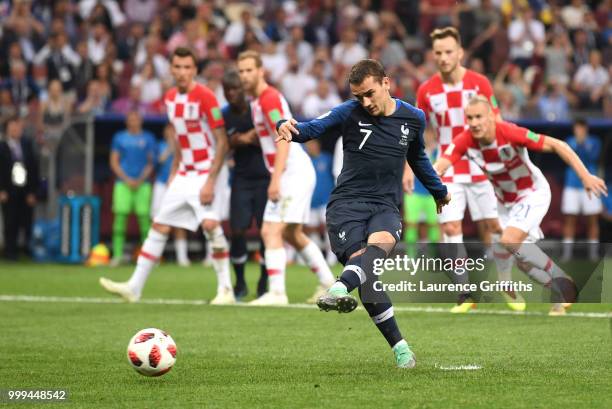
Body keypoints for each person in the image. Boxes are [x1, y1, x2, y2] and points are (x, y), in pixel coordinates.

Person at [276, 59, 450, 368]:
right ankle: (400, 348)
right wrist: (286, 127)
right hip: (346, 206)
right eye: (359, 96)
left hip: (385, 205)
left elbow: (418, 157)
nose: (365, 102)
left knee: (375, 253)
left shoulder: (413, 118)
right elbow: (311, 128)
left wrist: (438, 190)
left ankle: (339, 287)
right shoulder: (349, 111)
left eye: (369, 93)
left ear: (387, 82)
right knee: (368, 276)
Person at [433, 95, 606, 316]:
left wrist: (585, 176)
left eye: (479, 117)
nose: (474, 122)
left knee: (509, 241)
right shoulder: (465, 139)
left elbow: (557, 144)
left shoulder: (509, 132)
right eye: (470, 118)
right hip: (505, 202)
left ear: (491, 118)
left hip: (532, 193)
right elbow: (440, 166)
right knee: (523, 261)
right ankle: (561, 291)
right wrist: (434, 183)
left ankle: (560, 279)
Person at [100, 47, 234, 305]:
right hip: (184, 172)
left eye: (187, 67)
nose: (182, 72)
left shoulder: (206, 97)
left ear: (194, 70)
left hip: (207, 170)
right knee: (159, 226)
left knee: (210, 227)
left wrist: (211, 180)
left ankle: (225, 290)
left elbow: (222, 141)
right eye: (178, 67)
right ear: (171, 69)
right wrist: (174, 170)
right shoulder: (170, 97)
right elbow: (179, 137)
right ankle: (134, 287)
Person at [237, 50, 335, 306]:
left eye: (249, 70)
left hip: (292, 171)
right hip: (296, 170)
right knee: (292, 234)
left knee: (271, 230)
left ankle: (277, 293)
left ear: (261, 71)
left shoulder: (269, 99)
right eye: (241, 71)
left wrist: (275, 178)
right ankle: (328, 283)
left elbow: (283, 138)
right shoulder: (259, 101)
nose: (245, 75)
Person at [416, 26, 503, 313]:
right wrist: (409, 167)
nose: (443, 57)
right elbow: (419, 132)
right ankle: (464, 292)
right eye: (438, 52)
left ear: (460, 52)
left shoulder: (480, 83)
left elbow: (497, 121)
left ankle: (504, 282)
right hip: (448, 167)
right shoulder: (426, 90)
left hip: (481, 165)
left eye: (448, 51)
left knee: (494, 226)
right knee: (451, 227)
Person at [221, 69, 269, 299]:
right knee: (237, 231)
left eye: (235, 89)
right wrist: (246, 137)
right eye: (227, 90)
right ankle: (240, 282)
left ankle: (264, 280)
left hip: (264, 178)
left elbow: (265, 134)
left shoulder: (256, 109)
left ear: (244, 90)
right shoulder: (225, 114)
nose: (231, 94)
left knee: (266, 232)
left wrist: (243, 138)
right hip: (241, 179)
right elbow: (229, 141)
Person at [108, 110, 156, 266]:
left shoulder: (148, 138)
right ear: (127, 121)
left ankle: (148, 257)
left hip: (143, 184)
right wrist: (127, 179)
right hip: (123, 183)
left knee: (144, 220)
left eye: (136, 119)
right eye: (131, 119)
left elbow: (151, 162)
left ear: (140, 121)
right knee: (120, 218)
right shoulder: (119, 138)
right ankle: (117, 255)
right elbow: (114, 161)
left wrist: (141, 178)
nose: (134, 122)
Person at [560, 118, 602, 262]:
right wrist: (578, 143)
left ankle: (593, 254)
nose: (580, 130)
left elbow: (593, 157)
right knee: (569, 219)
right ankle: (567, 254)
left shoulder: (595, 142)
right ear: (574, 129)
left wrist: (582, 143)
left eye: (582, 128)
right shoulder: (568, 142)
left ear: (586, 128)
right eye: (577, 128)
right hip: (572, 185)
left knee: (592, 220)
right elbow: (567, 159)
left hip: (590, 185)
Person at [151, 124, 191, 267]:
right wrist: (169, 149)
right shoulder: (159, 145)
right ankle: (154, 257)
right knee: (157, 220)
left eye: (173, 130)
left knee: (180, 221)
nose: (170, 132)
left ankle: (182, 257)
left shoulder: (185, 146)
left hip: (178, 185)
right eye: (168, 130)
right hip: (161, 184)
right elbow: (157, 162)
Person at [0, 116, 40, 260]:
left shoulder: (27, 145)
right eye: (13, 127)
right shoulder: (2, 147)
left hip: (25, 190)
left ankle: (27, 250)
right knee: (10, 221)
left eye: (18, 127)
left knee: (27, 220)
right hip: (8, 190)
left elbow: (34, 169)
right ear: (7, 129)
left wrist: (32, 192)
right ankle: (10, 252)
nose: (16, 130)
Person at [305, 139, 337, 266]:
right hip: (310, 202)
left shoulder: (327, 159)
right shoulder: (305, 161)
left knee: (329, 229)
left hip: (326, 200)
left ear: (318, 145)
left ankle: (332, 257)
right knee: (310, 232)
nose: (310, 147)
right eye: (308, 145)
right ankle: (315, 260)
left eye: (312, 144)